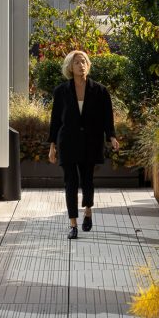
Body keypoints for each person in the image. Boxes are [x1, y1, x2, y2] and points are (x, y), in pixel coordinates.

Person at [48, 49, 119, 239]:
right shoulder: (61, 91)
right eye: (77, 62)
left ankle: (88, 210)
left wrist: (111, 136)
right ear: (70, 67)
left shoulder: (100, 91)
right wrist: (52, 145)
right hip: (68, 142)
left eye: (84, 62)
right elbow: (55, 120)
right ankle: (73, 224)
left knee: (87, 180)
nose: (82, 65)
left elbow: (107, 117)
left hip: (91, 141)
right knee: (70, 182)